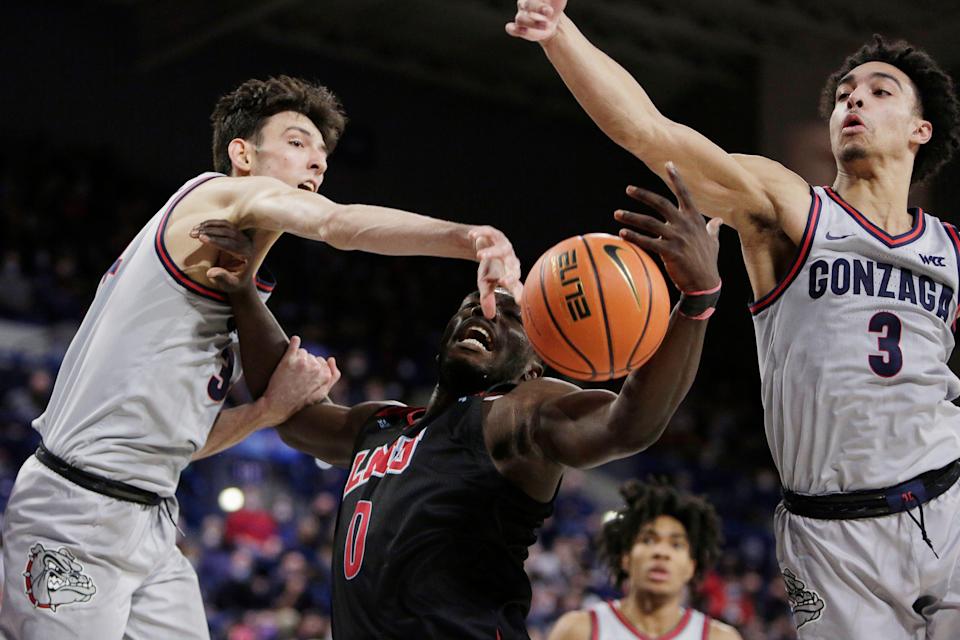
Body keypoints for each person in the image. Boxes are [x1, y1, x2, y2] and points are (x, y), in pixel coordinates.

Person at [0, 75, 524, 640]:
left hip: (149, 517)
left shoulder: (230, 281)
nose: (317, 164)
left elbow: (181, 445)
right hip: (73, 513)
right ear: (242, 154)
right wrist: (472, 238)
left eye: (324, 155)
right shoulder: (211, 194)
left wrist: (268, 410)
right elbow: (337, 225)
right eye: (298, 143)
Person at [506, 3, 960, 638]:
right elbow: (649, 132)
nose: (854, 101)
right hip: (835, 534)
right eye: (844, 95)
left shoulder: (950, 248)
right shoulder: (789, 208)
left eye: (879, 92)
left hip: (951, 499)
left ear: (920, 129)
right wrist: (561, 34)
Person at [195, 164, 722, 639]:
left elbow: (625, 425)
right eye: (473, 305)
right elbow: (290, 414)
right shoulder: (380, 426)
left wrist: (696, 302)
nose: (483, 313)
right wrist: (243, 293)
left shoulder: (517, 414)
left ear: (534, 366)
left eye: (508, 318)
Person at [548, 480, 740, 640]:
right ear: (626, 557)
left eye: (676, 544)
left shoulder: (719, 637)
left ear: (691, 566)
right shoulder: (578, 630)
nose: (661, 552)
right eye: (648, 540)